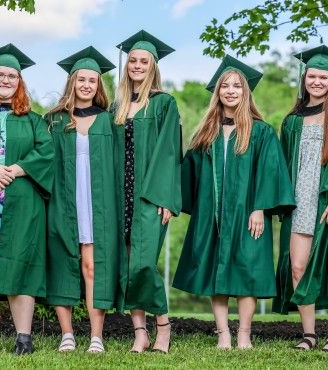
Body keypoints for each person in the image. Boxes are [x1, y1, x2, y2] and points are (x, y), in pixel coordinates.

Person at [173, 55, 295, 350]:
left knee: (247, 272)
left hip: (247, 214)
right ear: (218, 93)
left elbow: (270, 171)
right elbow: (187, 172)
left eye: (236, 86)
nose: (230, 90)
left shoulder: (261, 131)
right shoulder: (206, 134)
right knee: (217, 273)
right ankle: (223, 333)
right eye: (225, 86)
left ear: (245, 92)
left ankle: (244, 333)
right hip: (214, 216)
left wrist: (259, 208)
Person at [0, 44, 54, 354]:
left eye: (12, 76)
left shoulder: (34, 120)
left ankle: (23, 339)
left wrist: (17, 169)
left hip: (23, 204)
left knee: (22, 263)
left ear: (19, 81)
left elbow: (46, 151)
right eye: (1, 74)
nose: (6, 80)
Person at [273, 45, 328, 354]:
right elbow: (284, 164)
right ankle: (308, 334)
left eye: (323, 77)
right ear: (304, 79)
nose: (317, 82)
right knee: (298, 267)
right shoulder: (292, 120)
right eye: (312, 77)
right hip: (300, 203)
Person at [45, 47, 118, 353]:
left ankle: (96, 336)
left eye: (93, 80)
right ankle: (67, 334)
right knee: (62, 262)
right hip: (63, 199)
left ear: (98, 86)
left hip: (97, 203)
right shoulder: (54, 121)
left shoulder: (110, 121)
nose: (87, 85)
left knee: (92, 266)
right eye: (82, 80)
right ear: (72, 83)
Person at [113, 30, 182, 353]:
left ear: (153, 67)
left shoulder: (164, 103)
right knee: (128, 265)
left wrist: (165, 197)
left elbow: (170, 152)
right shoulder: (118, 106)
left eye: (144, 61)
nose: (137, 66)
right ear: (126, 66)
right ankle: (140, 333)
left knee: (143, 264)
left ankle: (163, 327)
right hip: (118, 196)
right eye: (133, 61)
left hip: (149, 197)